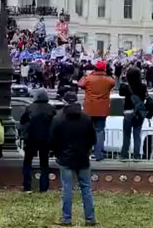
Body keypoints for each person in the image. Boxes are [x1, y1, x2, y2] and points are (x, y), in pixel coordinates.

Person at [49, 91, 96, 226]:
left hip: (65, 159)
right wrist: (86, 151)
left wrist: (58, 153)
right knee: (86, 188)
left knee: (67, 189)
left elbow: (52, 140)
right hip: (82, 158)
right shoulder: (86, 119)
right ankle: (90, 218)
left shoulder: (58, 119)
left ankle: (67, 218)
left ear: (64, 102)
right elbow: (92, 139)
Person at [20, 88, 56, 192]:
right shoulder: (51, 109)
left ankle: (27, 186)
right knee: (44, 163)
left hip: (31, 138)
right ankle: (44, 187)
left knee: (27, 162)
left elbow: (23, 121)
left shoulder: (30, 107)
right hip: (45, 139)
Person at [78, 60, 114, 161]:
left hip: (89, 109)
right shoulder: (109, 80)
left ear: (95, 68)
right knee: (100, 131)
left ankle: (86, 153)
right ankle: (99, 154)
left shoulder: (88, 79)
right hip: (102, 110)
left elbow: (80, 84)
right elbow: (113, 82)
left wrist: (90, 74)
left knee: (87, 132)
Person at [119, 67, 148, 159]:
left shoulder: (126, 87)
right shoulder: (143, 87)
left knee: (126, 135)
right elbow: (145, 97)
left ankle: (124, 154)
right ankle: (136, 155)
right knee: (137, 135)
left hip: (128, 112)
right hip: (139, 113)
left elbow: (120, 93)